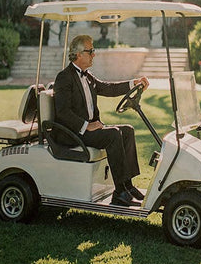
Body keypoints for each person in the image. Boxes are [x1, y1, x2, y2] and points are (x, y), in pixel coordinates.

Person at [53, 34, 149, 207]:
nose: (94, 55)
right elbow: (62, 112)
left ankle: (128, 185)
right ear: (79, 54)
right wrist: (87, 126)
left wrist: (133, 83)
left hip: (88, 130)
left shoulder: (88, 77)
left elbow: (108, 88)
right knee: (113, 134)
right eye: (91, 51)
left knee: (127, 130)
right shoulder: (64, 78)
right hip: (73, 133)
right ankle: (119, 192)